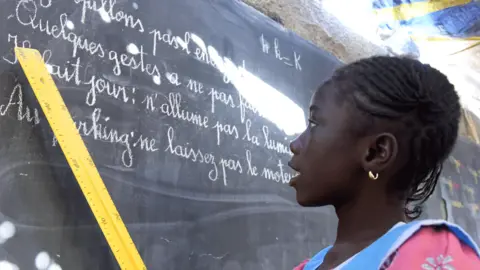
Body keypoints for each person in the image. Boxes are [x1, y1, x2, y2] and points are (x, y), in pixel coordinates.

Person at [288, 56, 480, 270]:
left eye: (315, 123)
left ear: (376, 153)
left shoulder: (437, 257)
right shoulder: (308, 267)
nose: (295, 144)